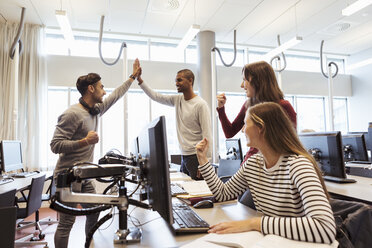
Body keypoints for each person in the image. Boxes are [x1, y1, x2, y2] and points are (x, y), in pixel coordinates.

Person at [195, 102, 336, 244]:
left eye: (245, 124)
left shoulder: (298, 165)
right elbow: (223, 194)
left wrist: (254, 224)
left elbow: (325, 228)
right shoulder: (253, 164)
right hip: (272, 241)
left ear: (260, 128)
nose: (242, 130)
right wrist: (203, 160)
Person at [50, 59, 141, 248]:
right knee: (67, 223)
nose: (105, 91)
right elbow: (55, 145)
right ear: (91, 89)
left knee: (94, 213)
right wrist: (84, 141)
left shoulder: (94, 110)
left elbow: (115, 96)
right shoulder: (72, 114)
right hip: (67, 177)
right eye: (101, 87)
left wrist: (132, 77)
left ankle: (88, 245)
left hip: (84, 175)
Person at [136, 61, 212, 180]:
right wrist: (140, 80)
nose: (176, 83)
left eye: (180, 80)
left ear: (190, 80)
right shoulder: (178, 100)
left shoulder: (200, 105)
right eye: (176, 80)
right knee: (186, 193)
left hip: (196, 157)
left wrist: (206, 164)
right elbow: (156, 96)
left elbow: (207, 135)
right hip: (184, 156)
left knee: (199, 194)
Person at [217, 61, 296, 162]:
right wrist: (221, 109)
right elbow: (229, 133)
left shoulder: (283, 106)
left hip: (271, 164)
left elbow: (290, 142)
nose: (242, 85)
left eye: (244, 80)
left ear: (257, 81)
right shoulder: (248, 105)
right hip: (251, 162)